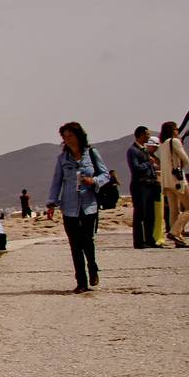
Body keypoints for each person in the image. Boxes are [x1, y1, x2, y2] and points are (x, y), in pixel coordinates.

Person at [46, 121, 110, 293]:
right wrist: (51, 203)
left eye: (70, 136)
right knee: (75, 245)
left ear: (78, 136)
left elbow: (105, 174)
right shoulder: (62, 159)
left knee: (87, 241)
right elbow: (56, 182)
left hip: (89, 204)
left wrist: (94, 181)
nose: (68, 140)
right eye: (64, 137)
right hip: (69, 206)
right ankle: (81, 281)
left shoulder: (92, 153)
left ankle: (92, 268)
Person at [158, 121, 189, 248]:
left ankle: (178, 239)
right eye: (176, 129)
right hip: (177, 180)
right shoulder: (174, 141)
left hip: (166, 181)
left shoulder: (162, 144)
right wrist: (180, 168)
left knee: (174, 210)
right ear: (173, 130)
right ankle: (174, 232)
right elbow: (186, 160)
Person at [127, 126, 162, 249]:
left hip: (150, 185)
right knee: (140, 214)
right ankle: (139, 241)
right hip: (140, 185)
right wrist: (148, 163)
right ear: (141, 135)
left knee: (150, 214)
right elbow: (135, 168)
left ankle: (150, 239)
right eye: (147, 134)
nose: (148, 136)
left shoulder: (144, 150)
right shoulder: (133, 151)